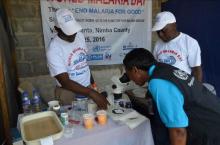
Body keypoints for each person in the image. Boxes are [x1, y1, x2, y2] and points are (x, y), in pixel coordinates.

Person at [123, 48, 220, 145]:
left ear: (135, 70)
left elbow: (178, 131)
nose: (130, 79)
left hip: (211, 132)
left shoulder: (158, 83)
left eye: (128, 74)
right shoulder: (163, 68)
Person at [46, 8, 108, 109]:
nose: (72, 35)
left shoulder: (79, 36)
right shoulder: (53, 50)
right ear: (56, 29)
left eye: (73, 31)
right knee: (72, 121)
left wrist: (93, 84)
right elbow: (65, 82)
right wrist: (92, 94)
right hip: (67, 93)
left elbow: (84, 62)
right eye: (68, 32)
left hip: (87, 88)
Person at [152, 11, 203, 82]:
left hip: (181, 87)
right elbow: (156, 65)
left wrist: (196, 91)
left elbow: (196, 71)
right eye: (158, 31)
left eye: (163, 30)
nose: (160, 34)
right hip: (163, 85)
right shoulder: (158, 44)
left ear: (174, 25)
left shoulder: (189, 42)